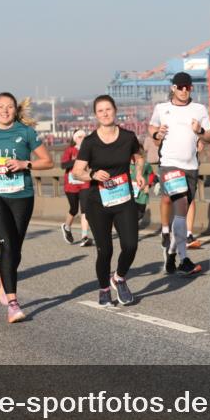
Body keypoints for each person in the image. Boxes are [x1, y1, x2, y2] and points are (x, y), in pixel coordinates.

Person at [0, 93, 53, 323]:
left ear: (15, 110)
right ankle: (13, 304)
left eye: (9, 107)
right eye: (0, 106)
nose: (5, 110)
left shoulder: (26, 132)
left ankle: (3, 280)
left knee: (15, 248)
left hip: (21, 195)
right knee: (6, 244)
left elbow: (48, 161)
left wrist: (24, 163)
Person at [72, 95, 146, 306]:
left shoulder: (128, 137)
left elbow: (139, 156)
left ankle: (119, 278)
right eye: (100, 111)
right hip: (98, 202)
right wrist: (93, 175)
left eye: (108, 109)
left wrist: (139, 174)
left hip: (124, 198)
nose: (105, 114)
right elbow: (78, 172)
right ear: (96, 115)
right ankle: (104, 288)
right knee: (105, 250)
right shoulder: (90, 142)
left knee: (131, 245)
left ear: (115, 110)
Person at [149, 71, 210, 276]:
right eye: (180, 87)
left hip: (191, 166)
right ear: (173, 88)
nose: (184, 91)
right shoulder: (162, 108)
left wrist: (200, 132)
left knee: (182, 213)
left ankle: (170, 254)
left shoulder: (199, 109)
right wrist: (157, 134)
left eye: (187, 87)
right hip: (169, 165)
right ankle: (184, 259)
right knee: (181, 205)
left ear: (191, 88)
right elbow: (151, 129)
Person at [59, 129, 92, 246]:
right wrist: (77, 161)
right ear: (74, 139)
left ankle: (84, 236)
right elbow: (63, 165)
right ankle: (66, 227)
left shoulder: (89, 150)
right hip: (71, 184)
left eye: (84, 136)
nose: (82, 138)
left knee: (85, 209)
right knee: (74, 209)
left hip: (85, 183)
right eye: (79, 137)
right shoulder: (69, 150)